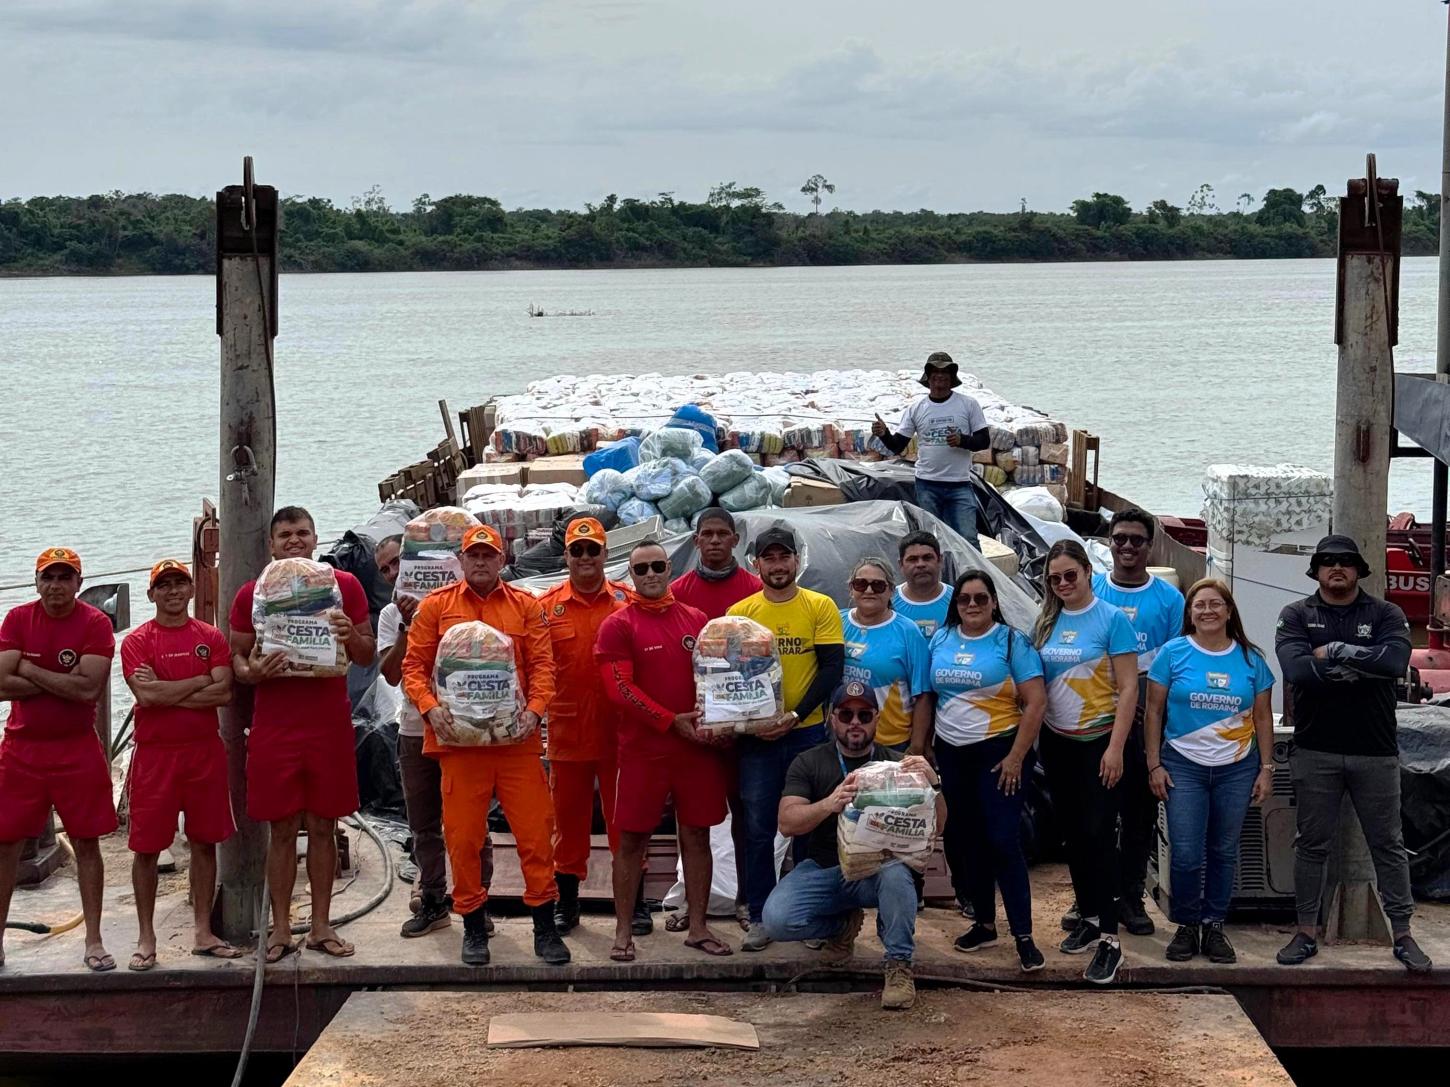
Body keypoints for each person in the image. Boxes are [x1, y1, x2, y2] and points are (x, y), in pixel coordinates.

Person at [402, 523, 569, 967]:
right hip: (459, 746)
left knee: (536, 836)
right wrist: (429, 708)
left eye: (488, 555)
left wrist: (534, 712)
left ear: (501, 560)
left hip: (516, 743)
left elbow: (543, 666)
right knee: (463, 839)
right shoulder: (436, 607)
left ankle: (545, 927)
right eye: (472, 555)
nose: (480, 561)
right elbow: (414, 666)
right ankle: (473, 927)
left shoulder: (526, 607)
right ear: (461, 560)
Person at [1273, 535, 1432, 973]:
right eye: (1327, 562)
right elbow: (1296, 670)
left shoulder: (1386, 613)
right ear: (1316, 570)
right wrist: (1359, 666)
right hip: (1315, 750)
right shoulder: (1296, 615)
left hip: (1375, 752)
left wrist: (1336, 653)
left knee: (1389, 845)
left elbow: (1394, 664)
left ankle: (1402, 933)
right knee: (1311, 845)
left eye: (1345, 562)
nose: (1336, 568)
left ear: (1359, 569)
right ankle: (1305, 931)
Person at [229, 506, 376, 963]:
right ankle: (278, 930)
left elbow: (367, 653)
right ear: (271, 544)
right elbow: (237, 659)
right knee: (282, 828)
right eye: (285, 534)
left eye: (302, 533)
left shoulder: (343, 586)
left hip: (328, 721)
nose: (294, 540)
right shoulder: (253, 593)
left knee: (324, 826)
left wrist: (348, 631)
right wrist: (254, 671)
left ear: (316, 539)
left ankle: (321, 925)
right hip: (276, 723)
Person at [763, 680, 945, 1010]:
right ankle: (842, 927)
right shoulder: (810, 762)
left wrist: (934, 784)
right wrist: (828, 804)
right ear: (832, 719)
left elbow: (938, 827)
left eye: (864, 715)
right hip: (825, 868)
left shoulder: (898, 764)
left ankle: (898, 965)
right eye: (846, 714)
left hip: (876, 872)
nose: (855, 723)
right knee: (777, 919)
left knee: (897, 875)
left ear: (878, 718)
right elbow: (787, 822)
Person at [596, 540, 732, 960]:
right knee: (632, 839)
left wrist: (722, 721)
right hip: (643, 749)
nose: (651, 574)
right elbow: (618, 689)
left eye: (658, 566)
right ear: (631, 575)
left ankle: (698, 927)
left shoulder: (697, 620)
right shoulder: (618, 625)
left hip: (696, 750)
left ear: (670, 568)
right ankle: (623, 932)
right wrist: (669, 720)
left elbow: (718, 680)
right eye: (642, 569)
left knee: (697, 834)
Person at [921, 569, 1047, 972]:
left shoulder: (1012, 642)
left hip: (1000, 753)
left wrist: (1015, 757)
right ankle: (984, 923)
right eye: (964, 599)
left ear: (994, 601)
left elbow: (1036, 703)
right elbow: (928, 695)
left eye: (980, 598)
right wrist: (922, 747)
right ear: (954, 606)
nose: (972, 605)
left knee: (1002, 840)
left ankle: (1024, 935)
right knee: (967, 838)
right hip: (953, 754)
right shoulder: (940, 639)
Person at [0, 547, 118, 973]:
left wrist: (29, 671)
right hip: (22, 749)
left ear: (79, 584)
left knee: (88, 842)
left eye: (65, 578)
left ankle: (94, 941)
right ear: (36, 582)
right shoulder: (17, 619)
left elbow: (89, 690)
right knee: (6, 845)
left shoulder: (95, 623)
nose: (56, 586)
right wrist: (58, 679)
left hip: (76, 748)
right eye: (48, 577)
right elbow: (0, 684)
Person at [727, 526, 845, 951]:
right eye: (769, 558)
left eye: (784, 557)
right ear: (755, 563)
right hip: (757, 738)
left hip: (808, 733)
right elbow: (730, 679)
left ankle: (808, 913)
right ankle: (760, 915)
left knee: (810, 827)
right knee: (758, 828)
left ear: (797, 560)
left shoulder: (820, 606)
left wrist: (794, 715)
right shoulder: (740, 612)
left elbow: (832, 668)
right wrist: (753, 721)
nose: (777, 566)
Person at [1145, 578, 1274, 964]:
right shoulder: (1172, 653)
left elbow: (1264, 716)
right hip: (1184, 765)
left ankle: (1214, 925)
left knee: (1222, 850)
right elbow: (1153, 712)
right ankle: (1186, 925)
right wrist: (1154, 763)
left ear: (1229, 611)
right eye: (1199, 605)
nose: (1207, 611)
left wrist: (1266, 768)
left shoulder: (1252, 659)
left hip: (1237, 767)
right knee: (1185, 853)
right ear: (1190, 614)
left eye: (1215, 604)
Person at [121, 559, 238, 970]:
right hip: (155, 755)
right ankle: (146, 937)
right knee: (147, 847)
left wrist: (169, 691)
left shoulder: (210, 637)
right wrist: (199, 682)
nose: (172, 591)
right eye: (163, 585)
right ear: (152, 594)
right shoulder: (137, 641)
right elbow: (147, 698)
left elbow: (223, 693)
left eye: (179, 584)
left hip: (203, 751)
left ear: (190, 591)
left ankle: (204, 931)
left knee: (205, 843)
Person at [376, 534, 494, 938]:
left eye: (398, 564)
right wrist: (409, 626)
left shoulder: (456, 604)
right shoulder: (392, 616)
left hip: (463, 730)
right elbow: (392, 673)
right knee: (424, 824)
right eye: (386, 569)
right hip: (413, 727)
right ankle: (433, 900)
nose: (393, 573)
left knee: (471, 823)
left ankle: (479, 903)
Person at [1032, 539, 1138, 984]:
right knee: (1072, 835)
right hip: (1059, 742)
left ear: (1086, 572)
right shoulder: (1045, 622)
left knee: (1099, 835)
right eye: (1054, 579)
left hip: (1101, 742)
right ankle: (1090, 915)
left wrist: (1116, 747)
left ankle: (1112, 941)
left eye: (1069, 575)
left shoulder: (1112, 619)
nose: (1062, 584)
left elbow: (1130, 687)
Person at [1088, 508, 1184, 938]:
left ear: (1151, 546)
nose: (1127, 547)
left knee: (1139, 814)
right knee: (1095, 817)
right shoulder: (1090, 590)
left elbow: (1175, 661)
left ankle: (1130, 896)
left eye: (1137, 540)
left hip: (1146, 720)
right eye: (1120, 538)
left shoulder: (1169, 600)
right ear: (1110, 542)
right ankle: (1090, 897)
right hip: (1093, 720)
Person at [538, 517, 637, 936]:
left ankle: (632, 902)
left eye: (591, 549)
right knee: (568, 823)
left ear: (604, 553)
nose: (584, 558)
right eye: (576, 550)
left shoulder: (627, 602)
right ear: (566, 555)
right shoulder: (546, 607)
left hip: (621, 734)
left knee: (626, 820)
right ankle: (568, 900)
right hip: (567, 732)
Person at [670, 507, 761, 931]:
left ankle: (748, 898)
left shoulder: (757, 591)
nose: (714, 541)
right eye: (706, 534)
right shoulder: (677, 593)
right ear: (695, 541)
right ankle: (694, 903)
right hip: (699, 732)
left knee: (748, 815)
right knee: (694, 819)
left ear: (736, 540)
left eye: (723, 534)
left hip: (746, 730)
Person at [870, 352, 990, 549]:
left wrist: (962, 440)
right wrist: (884, 434)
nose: (940, 378)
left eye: (945, 374)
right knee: (931, 541)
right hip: (927, 485)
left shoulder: (968, 405)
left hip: (959, 484)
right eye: (935, 374)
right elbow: (897, 446)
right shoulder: (916, 409)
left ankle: (973, 577)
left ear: (952, 378)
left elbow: (983, 440)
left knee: (968, 539)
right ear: (929, 379)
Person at [840, 557, 930, 754]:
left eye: (878, 585)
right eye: (861, 584)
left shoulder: (908, 631)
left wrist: (917, 746)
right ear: (851, 588)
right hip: (843, 739)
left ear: (891, 591)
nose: (869, 590)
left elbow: (923, 694)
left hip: (891, 743)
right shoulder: (837, 622)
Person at [892, 531, 952, 640]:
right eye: (913, 559)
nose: (920, 564)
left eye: (927, 558)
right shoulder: (888, 601)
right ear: (901, 564)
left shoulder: (957, 599)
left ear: (940, 560)